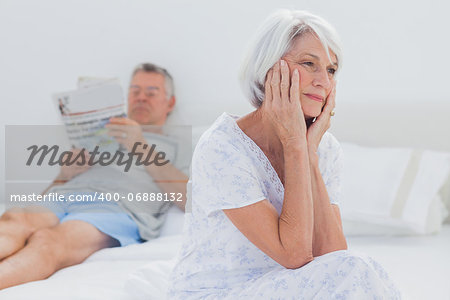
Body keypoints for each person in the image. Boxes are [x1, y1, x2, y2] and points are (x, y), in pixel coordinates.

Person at [168, 10, 401, 299]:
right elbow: (295, 256)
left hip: (284, 286)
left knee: (360, 269)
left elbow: (333, 257)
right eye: (309, 64)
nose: (324, 82)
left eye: (331, 70)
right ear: (270, 71)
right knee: (360, 270)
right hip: (220, 291)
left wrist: (309, 156)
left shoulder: (326, 149)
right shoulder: (222, 147)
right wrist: (294, 144)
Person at [0, 63, 189, 290]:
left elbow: (188, 199)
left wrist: (139, 145)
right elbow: (49, 193)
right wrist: (64, 175)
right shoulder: (101, 138)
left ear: (170, 103)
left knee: (48, 241)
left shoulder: (180, 145)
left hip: (117, 209)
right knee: (15, 218)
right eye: (135, 91)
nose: (141, 98)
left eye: (151, 93)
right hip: (67, 195)